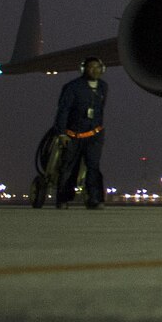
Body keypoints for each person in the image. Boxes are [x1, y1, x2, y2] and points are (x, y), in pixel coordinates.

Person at [52, 57, 109, 209]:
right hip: (73, 135)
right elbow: (63, 110)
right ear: (84, 69)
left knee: (93, 168)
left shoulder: (103, 87)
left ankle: (95, 199)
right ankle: (63, 199)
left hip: (94, 135)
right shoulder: (72, 87)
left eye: (98, 67)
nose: (94, 70)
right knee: (69, 168)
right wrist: (62, 133)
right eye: (91, 67)